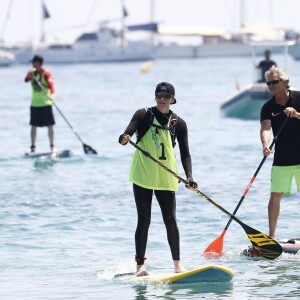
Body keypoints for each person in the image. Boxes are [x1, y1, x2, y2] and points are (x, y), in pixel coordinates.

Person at [118, 82, 198, 276]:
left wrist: (189, 177)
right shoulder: (143, 114)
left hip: (166, 175)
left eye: (165, 96)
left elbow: (185, 153)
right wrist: (124, 137)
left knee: (170, 219)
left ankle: (178, 265)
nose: (161, 99)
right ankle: (140, 267)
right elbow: (128, 131)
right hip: (143, 174)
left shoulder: (179, 123)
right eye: (158, 96)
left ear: (173, 99)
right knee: (144, 219)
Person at [260, 65, 300, 239]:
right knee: (275, 196)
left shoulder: (298, 97)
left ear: (284, 82)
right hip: (282, 159)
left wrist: (297, 114)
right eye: (268, 83)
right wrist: (265, 144)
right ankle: (272, 237)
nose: (271, 86)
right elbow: (265, 128)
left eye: (274, 82)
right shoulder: (268, 107)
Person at [24, 54, 56, 152]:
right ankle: (33, 147)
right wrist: (28, 74)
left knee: (50, 125)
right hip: (35, 104)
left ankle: (52, 146)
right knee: (33, 126)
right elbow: (26, 80)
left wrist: (52, 96)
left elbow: (52, 87)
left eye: (34, 62)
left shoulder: (47, 74)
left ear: (38, 63)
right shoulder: (32, 73)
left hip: (46, 104)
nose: (32, 64)